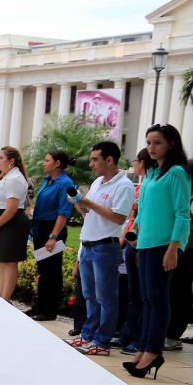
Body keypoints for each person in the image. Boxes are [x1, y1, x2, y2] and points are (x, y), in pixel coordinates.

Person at [126, 124, 191, 379]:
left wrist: (174, 248)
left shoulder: (176, 173)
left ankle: (153, 351)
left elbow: (182, 214)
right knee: (147, 299)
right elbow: (142, 210)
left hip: (164, 244)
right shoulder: (151, 173)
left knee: (158, 298)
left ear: (171, 144)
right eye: (149, 142)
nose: (151, 148)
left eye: (157, 143)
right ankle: (144, 348)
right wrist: (136, 234)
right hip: (146, 243)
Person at [65, 142, 135, 356]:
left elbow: (118, 217)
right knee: (89, 295)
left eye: (95, 159)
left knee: (106, 298)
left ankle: (102, 341)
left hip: (105, 246)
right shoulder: (97, 182)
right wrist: (79, 202)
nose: (91, 163)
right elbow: (91, 215)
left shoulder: (123, 185)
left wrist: (90, 203)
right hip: (88, 244)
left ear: (110, 160)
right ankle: (88, 336)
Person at [27, 150, 75, 321]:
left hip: (53, 228)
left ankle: (49, 310)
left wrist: (53, 236)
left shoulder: (65, 183)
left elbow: (64, 211)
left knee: (52, 270)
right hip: (42, 227)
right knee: (43, 269)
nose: (43, 163)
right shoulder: (49, 180)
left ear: (57, 164)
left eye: (47, 160)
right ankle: (40, 306)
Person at [0, 146, 31, 303]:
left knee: (9, 262)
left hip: (11, 223)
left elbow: (11, 209)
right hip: (2, 221)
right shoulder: (7, 177)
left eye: (1, 158)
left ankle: (5, 299)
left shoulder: (15, 178)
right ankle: (1, 298)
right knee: (2, 261)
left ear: (11, 161)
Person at [116, 149, 152, 354]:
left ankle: (139, 338)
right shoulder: (142, 186)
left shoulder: (151, 185)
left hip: (143, 243)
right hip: (132, 241)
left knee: (144, 295)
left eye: (136, 160)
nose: (134, 164)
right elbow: (133, 217)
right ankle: (127, 334)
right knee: (134, 295)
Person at [164, 159, 193, 351]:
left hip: (189, 251)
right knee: (171, 289)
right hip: (179, 247)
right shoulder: (186, 194)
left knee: (180, 291)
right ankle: (168, 331)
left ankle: (173, 334)